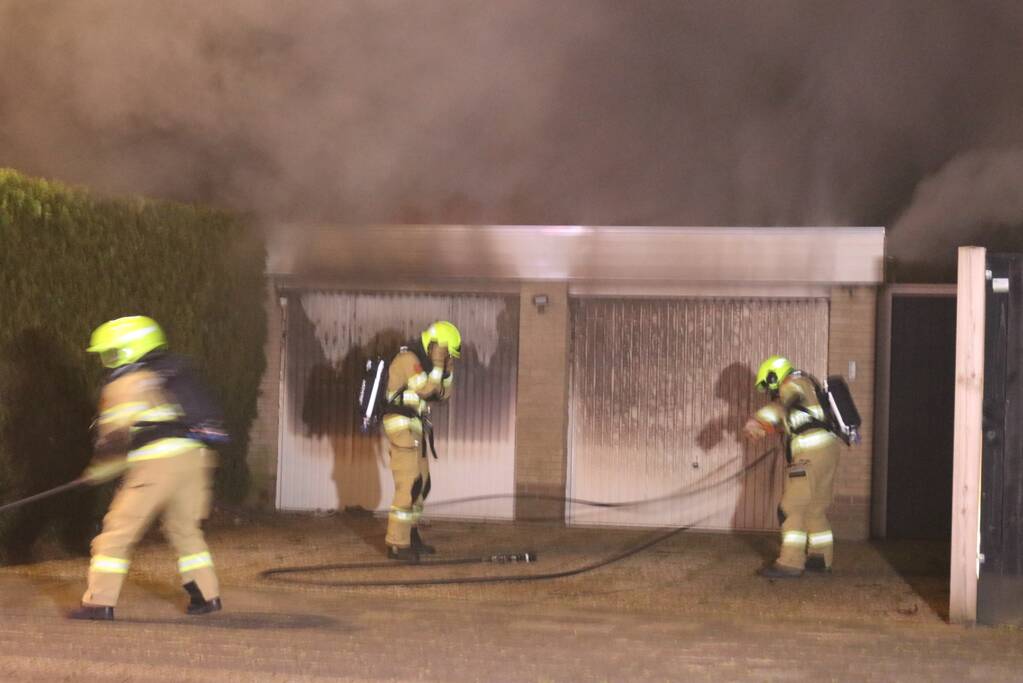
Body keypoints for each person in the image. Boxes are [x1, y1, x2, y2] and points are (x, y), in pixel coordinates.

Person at [69, 316, 226, 620]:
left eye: (111, 352)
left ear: (129, 348)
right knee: (185, 531)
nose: (107, 360)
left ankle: (98, 601)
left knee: (115, 534)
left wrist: (99, 469)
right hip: (195, 460)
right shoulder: (167, 374)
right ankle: (207, 597)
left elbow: (115, 439)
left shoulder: (126, 382)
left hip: (157, 464)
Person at [743, 356, 840, 578]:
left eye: (769, 384)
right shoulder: (810, 385)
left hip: (809, 455)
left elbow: (780, 405)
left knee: (790, 508)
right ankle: (820, 558)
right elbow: (800, 421)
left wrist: (757, 421)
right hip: (827, 451)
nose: (770, 390)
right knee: (815, 509)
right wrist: (769, 429)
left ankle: (790, 562)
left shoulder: (792, 384)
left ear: (773, 375)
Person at [381, 321, 459, 562]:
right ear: (435, 345)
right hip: (401, 427)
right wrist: (436, 364)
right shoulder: (408, 359)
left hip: (415, 429)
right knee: (409, 484)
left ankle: (411, 537)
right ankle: (396, 543)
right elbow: (425, 389)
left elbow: (441, 394)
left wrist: (446, 371)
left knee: (422, 484)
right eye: (445, 351)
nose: (445, 356)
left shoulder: (427, 364)